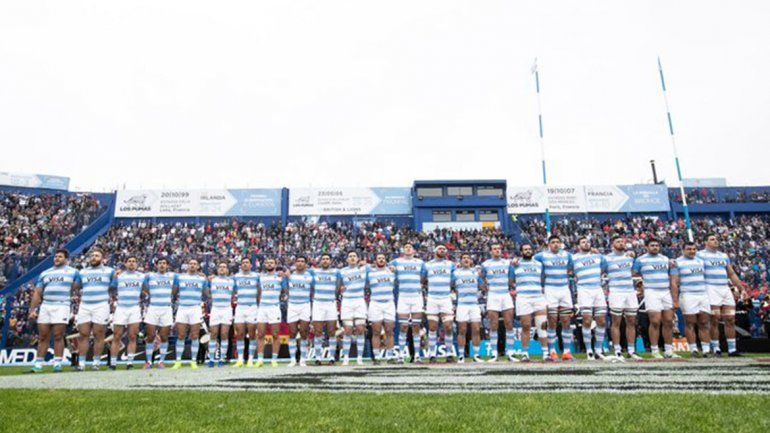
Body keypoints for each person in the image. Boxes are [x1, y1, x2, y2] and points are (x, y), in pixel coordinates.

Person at [28, 249, 79, 373]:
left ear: (66, 259)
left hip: (62, 305)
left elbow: (77, 286)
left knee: (58, 336)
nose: (57, 258)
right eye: (55, 256)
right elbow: (38, 292)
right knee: (43, 337)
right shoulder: (45, 273)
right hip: (45, 306)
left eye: (60, 256)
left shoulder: (74, 272)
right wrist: (32, 310)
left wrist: (67, 293)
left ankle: (57, 364)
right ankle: (38, 365)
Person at [697, 234, 745, 356]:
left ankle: (732, 349)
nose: (715, 241)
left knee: (730, 318)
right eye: (712, 239)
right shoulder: (700, 255)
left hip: (724, 289)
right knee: (715, 318)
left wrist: (741, 288)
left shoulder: (723, 256)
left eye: (716, 239)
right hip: (710, 288)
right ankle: (716, 348)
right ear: (706, 242)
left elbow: (731, 273)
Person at [633, 238, 678, 358]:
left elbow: (672, 277)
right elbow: (634, 274)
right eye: (652, 245)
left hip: (665, 291)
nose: (655, 247)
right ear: (647, 247)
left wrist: (674, 298)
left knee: (668, 321)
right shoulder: (640, 260)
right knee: (655, 321)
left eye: (657, 245)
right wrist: (640, 286)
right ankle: (654, 350)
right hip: (651, 292)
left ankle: (669, 350)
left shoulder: (666, 259)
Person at [533, 235, 575, 362]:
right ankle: (552, 351)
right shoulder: (541, 256)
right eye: (553, 242)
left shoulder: (567, 255)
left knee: (566, 321)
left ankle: (566, 352)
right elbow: (530, 261)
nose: (555, 244)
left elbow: (570, 267)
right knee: (552, 321)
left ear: (560, 244)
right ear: (549, 244)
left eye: (557, 242)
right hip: (550, 290)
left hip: (564, 289)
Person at [75, 247, 116, 371]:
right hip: (84, 305)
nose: (93, 258)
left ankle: (96, 362)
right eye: (92, 256)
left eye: (97, 256)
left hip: (101, 305)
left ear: (103, 258)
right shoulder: (82, 272)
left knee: (99, 335)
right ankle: (81, 364)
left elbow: (114, 286)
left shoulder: (110, 271)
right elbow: (76, 286)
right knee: (83, 335)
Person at [671, 241, 712, 357]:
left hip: (702, 294)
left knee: (704, 322)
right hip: (687, 295)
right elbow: (674, 282)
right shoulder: (677, 262)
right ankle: (693, 349)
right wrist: (675, 300)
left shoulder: (701, 261)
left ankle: (706, 350)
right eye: (689, 249)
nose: (692, 251)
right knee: (690, 323)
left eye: (694, 249)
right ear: (683, 250)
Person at [604, 235, 641, 360]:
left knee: (631, 321)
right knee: (616, 322)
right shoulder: (607, 259)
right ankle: (617, 350)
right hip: (616, 292)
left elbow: (634, 272)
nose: (621, 243)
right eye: (618, 241)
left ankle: (631, 351)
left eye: (622, 241)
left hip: (630, 292)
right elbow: (602, 271)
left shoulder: (630, 258)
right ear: (612, 244)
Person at [570, 237, 608, 361]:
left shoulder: (598, 256)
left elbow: (603, 268)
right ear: (578, 246)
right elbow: (569, 270)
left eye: (588, 242)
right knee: (587, 321)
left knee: (602, 321)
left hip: (598, 289)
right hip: (584, 290)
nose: (586, 243)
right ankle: (589, 351)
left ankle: (598, 350)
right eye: (583, 242)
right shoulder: (573, 258)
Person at [511, 244, 549, 362]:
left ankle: (545, 353)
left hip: (538, 297)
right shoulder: (515, 264)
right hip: (523, 298)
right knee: (526, 326)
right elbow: (511, 280)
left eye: (529, 249)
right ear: (521, 252)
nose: (528, 251)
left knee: (542, 325)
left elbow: (543, 278)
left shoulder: (539, 264)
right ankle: (525, 353)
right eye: (525, 249)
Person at [480, 244, 517, 362]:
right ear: (491, 251)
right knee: (493, 324)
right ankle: (494, 353)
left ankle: (511, 352)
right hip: (493, 295)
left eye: (499, 249)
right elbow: (480, 278)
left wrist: (507, 285)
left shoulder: (507, 263)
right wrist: (486, 288)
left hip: (505, 294)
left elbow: (511, 278)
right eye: (495, 249)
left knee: (509, 323)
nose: (497, 250)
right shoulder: (485, 264)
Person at [389, 243, 425, 363]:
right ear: (403, 250)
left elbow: (424, 276)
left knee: (416, 327)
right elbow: (386, 269)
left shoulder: (420, 262)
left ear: (413, 250)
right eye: (406, 247)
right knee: (403, 327)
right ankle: (400, 356)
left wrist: (420, 284)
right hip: (403, 297)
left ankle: (417, 356)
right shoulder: (396, 262)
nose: (408, 248)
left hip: (417, 296)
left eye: (410, 247)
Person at [109, 255, 147, 370]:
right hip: (121, 308)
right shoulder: (119, 275)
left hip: (134, 309)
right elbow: (111, 289)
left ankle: (129, 363)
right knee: (117, 336)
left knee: (132, 336)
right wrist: (114, 278)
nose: (131, 263)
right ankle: (113, 363)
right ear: (125, 263)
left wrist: (144, 298)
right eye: (129, 261)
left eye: (134, 261)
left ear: (136, 264)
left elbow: (147, 290)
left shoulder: (142, 276)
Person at [171, 258, 208, 369]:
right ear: (187, 265)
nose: (192, 265)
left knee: (195, 336)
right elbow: (174, 292)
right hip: (182, 308)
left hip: (195, 308)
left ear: (198, 266)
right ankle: (178, 361)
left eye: (194, 264)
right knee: (181, 335)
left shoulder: (202, 279)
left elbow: (206, 294)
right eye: (190, 263)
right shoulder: (180, 277)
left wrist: (208, 280)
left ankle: (193, 361)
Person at [422, 245, 456, 363]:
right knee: (432, 327)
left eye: (444, 249)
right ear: (435, 251)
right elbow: (423, 279)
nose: (442, 250)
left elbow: (453, 280)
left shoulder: (450, 264)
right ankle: (432, 355)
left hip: (446, 298)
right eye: (440, 249)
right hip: (432, 298)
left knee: (448, 327)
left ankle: (449, 354)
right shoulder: (427, 265)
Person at [143, 257, 177, 369]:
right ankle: (148, 362)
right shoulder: (149, 275)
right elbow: (140, 282)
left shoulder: (173, 276)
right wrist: (149, 293)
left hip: (166, 309)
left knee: (164, 336)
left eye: (164, 263)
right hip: (153, 308)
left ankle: (161, 361)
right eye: (160, 263)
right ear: (156, 265)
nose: (162, 265)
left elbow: (182, 281)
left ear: (167, 265)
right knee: (150, 336)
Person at [338, 251, 369, 366]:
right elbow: (338, 285)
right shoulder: (342, 271)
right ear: (347, 259)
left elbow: (378, 266)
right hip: (347, 301)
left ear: (357, 258)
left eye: (354, 256)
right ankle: (346, 357)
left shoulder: (364, 269)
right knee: (347, 330)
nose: (352, 258)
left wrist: (366, 264)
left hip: (359, 300)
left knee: (360, 329)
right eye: (350, 256)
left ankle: (359, 358)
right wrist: (340, 288)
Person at [366, 253, 397, 364]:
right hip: (375, 303)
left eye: (383, 258)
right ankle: (377, 357)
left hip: (389, 303)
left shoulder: (392, 271)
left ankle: (390, 357)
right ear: (375, 261)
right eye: (379, 258)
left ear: (386, 260)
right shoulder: (370, 272)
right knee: (376, 332)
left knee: (389, 331)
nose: (381, 260)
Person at [452, 252, 483, 363]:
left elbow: (482, 286)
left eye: (467, 258)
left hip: (474, 305)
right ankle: (461, 355)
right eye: (464, 258)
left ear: (470, 261)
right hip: (462, 305)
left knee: (476, 329)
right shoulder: (456, 273)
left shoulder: (475, 273)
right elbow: (450, 285)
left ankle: (476, 355)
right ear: (460, 261)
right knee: (462, 330)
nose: (466, 259)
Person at [310, 253, 340, 364]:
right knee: (318, 332)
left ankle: (332, 357)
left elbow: (339, 285)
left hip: (331, 303)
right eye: (323, 259)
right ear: (320, 261)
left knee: (331, 331)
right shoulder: (314, 272)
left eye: (327, 259)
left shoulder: (336, 272)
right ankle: (318, 358)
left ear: (330, 261)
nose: (325, 260)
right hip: (318, 304)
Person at [255, 257, 284, 367]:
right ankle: (260, 360)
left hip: (274, 308)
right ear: (265, 265)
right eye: (267, 262)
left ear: (275, 264)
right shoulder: (260, 277)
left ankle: (274, 360)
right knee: (260, 334)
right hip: (262, 308)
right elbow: (259, 292)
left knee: (275, 334)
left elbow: (285, 290)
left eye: (271, 262)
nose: (269, 264)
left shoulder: (280, 277)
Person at [285, 256, 314, 367]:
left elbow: (314, 288)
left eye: (302, 261)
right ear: (295, 263)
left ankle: (302, 359)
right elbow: (285, 289)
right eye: (298, 261)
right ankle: (293, 359)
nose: (300, 263)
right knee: (292, 332)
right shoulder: (290, 275)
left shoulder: (310, 276)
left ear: (305, 264)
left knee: (304, 332)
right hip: (292, 305)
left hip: (305, 305)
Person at [207, 261, 235, 367]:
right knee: (213, 334)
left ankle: (222, 359)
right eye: (220, 267)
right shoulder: (212, 280)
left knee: (224, 334)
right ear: (217, 269)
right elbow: (206, 291)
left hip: (227, 309)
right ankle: (211, 359)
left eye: (224, 267)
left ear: (227, 270)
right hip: (215, 309)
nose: (222, 268)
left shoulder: (232, 281)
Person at [232, 258, 259, 367]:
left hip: (252, 307)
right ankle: (240, 359)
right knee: (240, 334)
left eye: (247, 262)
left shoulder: (257, 276)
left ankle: (250, 359)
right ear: (241, 265)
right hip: (240, 307)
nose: (245, 264)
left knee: (252, 334)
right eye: (243, 263)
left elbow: (260, 288)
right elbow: (232, 289)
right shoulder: (236, 277)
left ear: (251, 265)